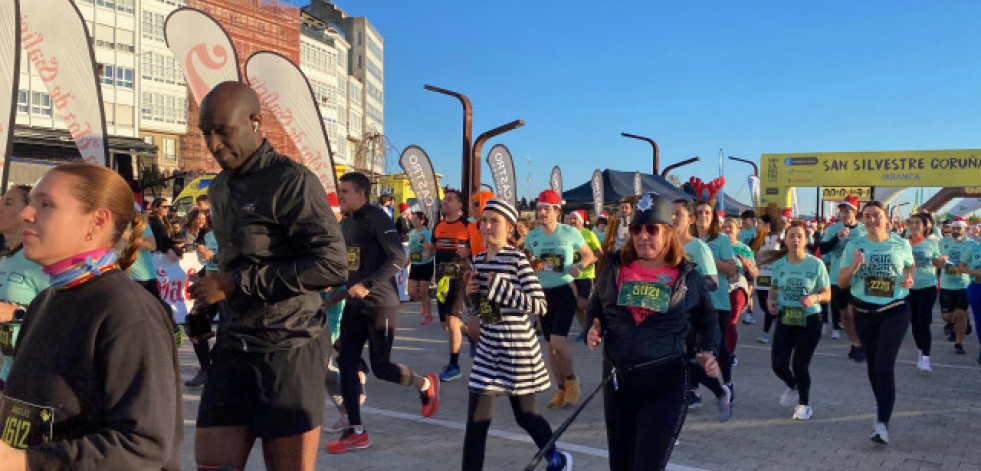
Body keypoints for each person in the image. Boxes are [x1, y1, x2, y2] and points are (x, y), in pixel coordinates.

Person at [189, 81, 349, 470]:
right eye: (205, 133)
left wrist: (235, 284)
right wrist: (205, 306)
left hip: (289, 347)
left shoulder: (292, 181)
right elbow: (233, 259)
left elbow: (331, 264)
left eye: (222, 132)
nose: (213, 144)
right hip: (233, 344)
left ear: (255, 121)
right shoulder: (221, 187)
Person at [0, 164, 180, 469]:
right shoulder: (46, 300)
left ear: (96, 222)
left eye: (45, 205)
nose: (26, 214)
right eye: (30, 203)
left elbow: (144, 445)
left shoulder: (127, 311)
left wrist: (26, 462)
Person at [587, 192, 721, 470]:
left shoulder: (687, 276)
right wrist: (593, 325)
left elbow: (708, 320)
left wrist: (707, 350)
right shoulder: (613, 268)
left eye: (652, 229)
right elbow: (595, 307)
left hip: (665, 383)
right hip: (619, 383)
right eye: (637, 229)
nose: (643, 236)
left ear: (668, 233)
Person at [328, 172, 439, 454]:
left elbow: (399, 258)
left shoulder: (377, 217)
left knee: (381, 368)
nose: (341, 196)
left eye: (345, 191)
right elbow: (351, 261)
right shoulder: (347, 223)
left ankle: (425, 383)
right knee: (347, 363)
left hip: (381, 304)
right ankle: (356, 431)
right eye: (340, 191)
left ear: (361, 194)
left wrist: (367, 284)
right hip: (354, 304)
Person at [461, 198, 572, 471]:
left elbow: (539, 305)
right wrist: (471, 297)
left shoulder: (517, 260)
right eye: (483, 221)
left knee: (526, 416)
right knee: (476, 424)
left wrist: (500, 288)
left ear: (509, 227)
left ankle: (556, 457)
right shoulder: (477, 260)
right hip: (489, 349)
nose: (487, 226)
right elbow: (487, 311)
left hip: (518, 351)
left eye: (494, 221)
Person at [838, 201, 915, 446]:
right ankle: (882, 404)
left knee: (883, 366)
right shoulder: (853, 245)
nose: (872, 220)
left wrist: (909, 277)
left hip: (894, 310)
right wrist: (854, 266)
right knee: (873, 367)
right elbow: (841, 282)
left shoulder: (900, 243)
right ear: (862, 220)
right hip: (863, 311)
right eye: (867, 216)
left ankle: (883, 422)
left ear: (887, 219)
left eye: (876, 216)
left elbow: (909, 265)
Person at [525, 189, 596, 409]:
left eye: (547, 209)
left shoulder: (569, 232)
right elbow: (525, 258)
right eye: (539, 209)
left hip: (565, 290)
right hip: (542, 294)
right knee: (550, 347)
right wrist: (530, 265)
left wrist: (580, 267)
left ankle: (572, 380)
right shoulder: (532, 236)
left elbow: (590, 255)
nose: (542, 213)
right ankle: (560, 389)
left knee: (558, 343)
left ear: (557, 211)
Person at [762, 223, 831, 421]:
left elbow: (827, 293)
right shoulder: (780, 264)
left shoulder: (815, 264)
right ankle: (792, 385)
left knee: (800, 364)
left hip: (809, 319)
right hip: (786, 317)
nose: (795, 240)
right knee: (778, 364)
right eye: (791, 236)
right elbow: (774, 287)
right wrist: (770, 300)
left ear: (806, 240)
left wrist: (815, 298)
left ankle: (804, 404)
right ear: (785, 240)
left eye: (800, 236)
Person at [670, 199, 725, 415]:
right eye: (671, 214)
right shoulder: (667, 245)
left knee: (693, 359)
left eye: (678, 214)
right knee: (682, 359)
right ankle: (694, 393)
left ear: (691, 219)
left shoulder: (698, 247)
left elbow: (713, 282)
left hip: (697, 314)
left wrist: (686, 285)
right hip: (674, 313)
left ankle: (718, 390)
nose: (673, 218)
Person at [0, 186, 49, 390]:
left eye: (8, 202)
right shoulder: (6, 258)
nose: (0, 206)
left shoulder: (39, 261)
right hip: (8, 369)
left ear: (28, 212)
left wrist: (17, 313)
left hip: (36, 377)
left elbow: (66, 314)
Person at [431, 189, 480, 382]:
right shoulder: (438, 226)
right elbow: (434, 249)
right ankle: (473, 335)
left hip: (461, 279)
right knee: (448, 326)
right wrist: (427, 252)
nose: (445, 202)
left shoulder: (468, 226)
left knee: (452, 322)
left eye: (450, 200)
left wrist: (468, 250)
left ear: (460, 205)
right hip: (442, 280)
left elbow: (479, 249)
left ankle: (454, 366)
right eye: (444, 199)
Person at [693, 201, 738, 403]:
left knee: (717, 347)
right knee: (692, 348)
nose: (703, 215)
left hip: (716, 303)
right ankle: (693, 392)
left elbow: (731, 270)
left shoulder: (721, 240)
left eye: (707, 213)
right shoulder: (688, 241)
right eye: (699, 212)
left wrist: (706, 256)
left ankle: (727, 383)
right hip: (691, 303)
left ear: (713, 218)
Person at [819, 195, 868, 361]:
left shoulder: (863, 230)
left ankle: (860, 344)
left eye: (848, 211)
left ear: (855, 212)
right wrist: (837, 238)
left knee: (853, 313)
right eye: (842, 211)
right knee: (844, 315)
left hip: (858, 279)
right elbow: (823, 249)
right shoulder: (833, 229)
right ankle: (854, 343)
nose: (844, 214)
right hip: (837, 278)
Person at [936, 217, 978, 355]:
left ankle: (959, 344)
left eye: (958, 228)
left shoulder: (973, 245)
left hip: (963, 284)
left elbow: (975, 263)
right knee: (947, 316)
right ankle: (960, 323)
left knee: (960, 313)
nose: (955, 231)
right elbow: (935, 262)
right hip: (946, 285)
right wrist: (940, 262)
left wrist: (965, 269)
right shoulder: (943, 242)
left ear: (965, 229)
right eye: (954, 228)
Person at [906, 214, 941, 372]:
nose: (914, 226)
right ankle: (920, 349)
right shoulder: (903, 243)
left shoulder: (932, 243)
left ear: (926, 226)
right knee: (914, 322)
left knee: (924, 321)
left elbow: (936, 261)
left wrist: (942, 261)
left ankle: (926, 357)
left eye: (918, 223)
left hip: (928, 286)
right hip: (909, 287)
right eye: (911, 223)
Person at [565, 210, 603, 341]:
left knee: (582, 304)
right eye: (570, 219)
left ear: (580, 221)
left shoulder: (589, 234)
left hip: (585, 275)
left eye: (574, 218)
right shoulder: (567, 235)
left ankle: (600, 314)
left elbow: (599, 253)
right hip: (571, 276)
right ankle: (585, 330)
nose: (571, 221)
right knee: (576, 307)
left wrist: (588, 260)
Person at [722, 217, 756, 356]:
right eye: (724, 227)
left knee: (731, 321)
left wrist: (749, 267)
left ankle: (730, 353)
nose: (727, 230)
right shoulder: (716, 245)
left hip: (738, 286)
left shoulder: (744, 248)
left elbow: (754, 272)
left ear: (738, 230)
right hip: (720, 287)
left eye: (730, 227)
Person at [408, 211, 435, 325]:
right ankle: (424, 303)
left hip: (426, 264)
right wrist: (407, 260)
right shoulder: (411, 233)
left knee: (424, 291)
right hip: (415, 263)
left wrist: (422, 240)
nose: (413, 220)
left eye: (415, 218)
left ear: (422, 220)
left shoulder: (427, 233)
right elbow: (412, 248)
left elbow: (430, 247)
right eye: (412, 218)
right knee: (411, 292)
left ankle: (429, 315)